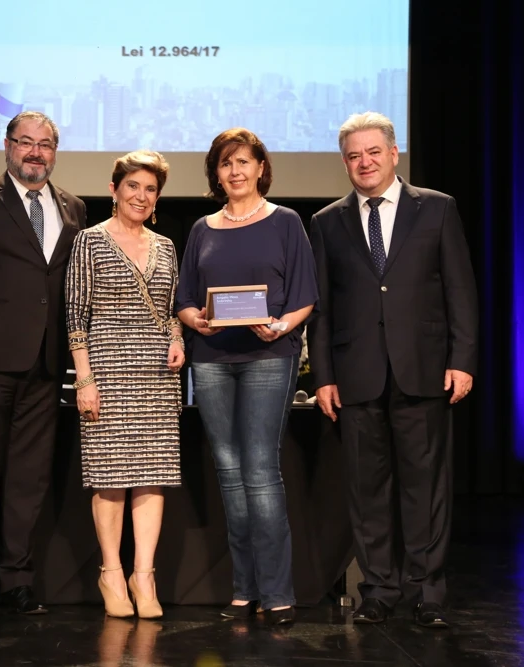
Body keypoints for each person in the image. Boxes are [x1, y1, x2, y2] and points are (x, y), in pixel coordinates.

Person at [307, 111, 478, 628]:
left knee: (425, 488)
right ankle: (379, 589)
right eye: (354, 155)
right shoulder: (327, 221)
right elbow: (322, 308)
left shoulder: (437, 208)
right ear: (344, 163)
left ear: (394, 153)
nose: (365, 162)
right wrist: (323, 376)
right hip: (356, 375)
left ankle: (427, 591)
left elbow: (460, 290)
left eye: (373, 152)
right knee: (366, 490)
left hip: (424, 369)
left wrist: (462, 360)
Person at [0, 111, 86, 616]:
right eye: (25, 142)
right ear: (7, 146)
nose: (35, 152)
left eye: (44, 144)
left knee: (29, 479)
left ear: (55, 151)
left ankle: (17, 579)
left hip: (45, 365)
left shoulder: (73, 207)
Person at [177, 128, 318, 625]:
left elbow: (304, 294)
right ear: (216, 173)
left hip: (268, 356)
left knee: (259, 470)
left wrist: (281, 325)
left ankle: (277, 593)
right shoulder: (202, 228)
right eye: (225, 163)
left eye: (243, 162)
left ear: (261, 168)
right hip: (211, 358)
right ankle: (244, 590)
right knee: (229, 471)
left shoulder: (286, 222)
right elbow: (185, 298)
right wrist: (195, 320)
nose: (235, 171)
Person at [65, 150, 184, 619]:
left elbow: (172, 310)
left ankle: (144, 575)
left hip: (157, 376)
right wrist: (85, 381)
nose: (141, 195)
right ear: (114, 190)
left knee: (152, 477)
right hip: (108, 374)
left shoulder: (166, 246)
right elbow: (76, 316)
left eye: (150, 189)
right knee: (111, 478)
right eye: (133, 186)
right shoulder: (90, 241)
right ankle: (112, 572)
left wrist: (177, 339)